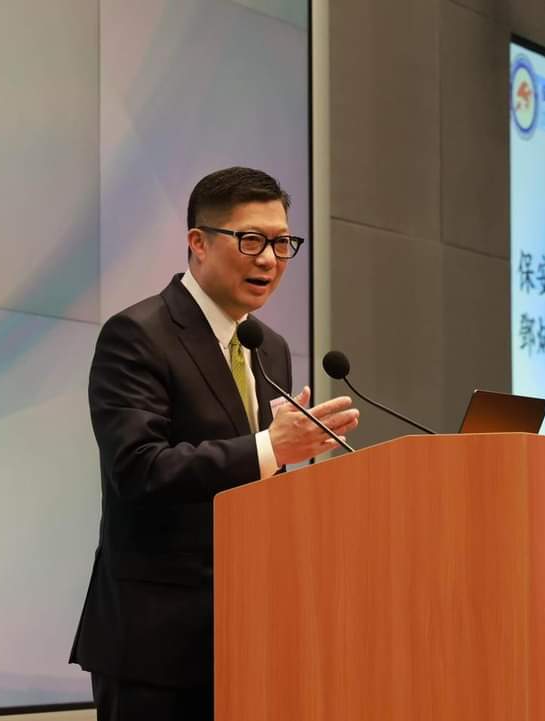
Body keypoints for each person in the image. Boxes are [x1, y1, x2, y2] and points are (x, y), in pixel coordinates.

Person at [69, 167, 359, 719]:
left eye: (282, 243)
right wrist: (271, 448)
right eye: (251, 240)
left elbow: (257, 480)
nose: (269, 259)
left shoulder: (267, 347)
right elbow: (138, 468)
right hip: (156, 646)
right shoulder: (138, 335)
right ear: (198, 243)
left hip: (251, 634)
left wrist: (290, 463)